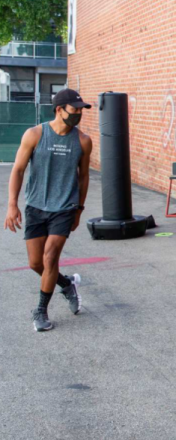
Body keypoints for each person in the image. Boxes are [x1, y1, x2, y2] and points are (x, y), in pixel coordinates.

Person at [4, 89, 93, 332]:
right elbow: (18, 170)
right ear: (59, 110)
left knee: (50, 257)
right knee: (35, 263)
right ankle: (66, 284)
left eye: (80, 110)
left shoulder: (83, 140)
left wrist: (79, 210)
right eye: (74, 110)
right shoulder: (35, 134)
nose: (78, 114)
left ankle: (41, 310)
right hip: (36, 206)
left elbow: (83, 177)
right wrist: (12, 204)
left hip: (64, 207)